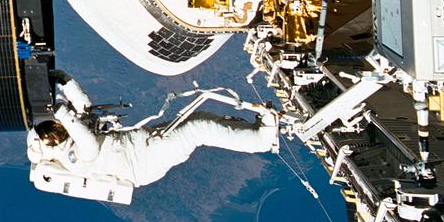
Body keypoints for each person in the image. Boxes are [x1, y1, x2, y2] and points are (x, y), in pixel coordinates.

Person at [27, 76, 278, 194]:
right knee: (198, 130)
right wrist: (63, 115)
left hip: (144, 146)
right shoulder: (72, 158)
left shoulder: (70, 134)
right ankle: (262, 139)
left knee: (199, 119)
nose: (54, 128)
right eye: (50, 131)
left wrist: (64, 81)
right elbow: (89, 144)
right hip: (144, 161)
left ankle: (256, 131)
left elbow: (83, 108)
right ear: (51, 144)